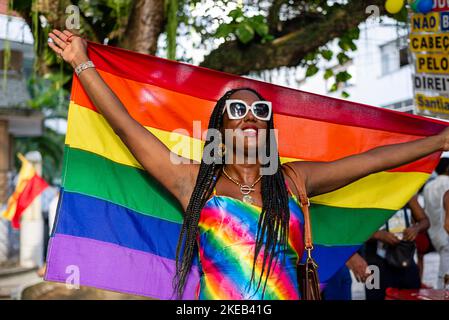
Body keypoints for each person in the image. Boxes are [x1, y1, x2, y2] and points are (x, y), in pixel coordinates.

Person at [47, 29, 449, 300]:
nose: (250, 116)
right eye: (237, 109)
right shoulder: (192, 182)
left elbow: (370, 161)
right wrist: (83, 63)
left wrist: (439, 140)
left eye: (260, 110)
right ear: (218, 129)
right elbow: (126, 127)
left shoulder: (293, 180)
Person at [363, 195, 430, 300]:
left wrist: (415, 229)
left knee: (411, 295)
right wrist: (378, 235)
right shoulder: (369, 195)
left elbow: (425, 221)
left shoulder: (407, 194)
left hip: (404, 258)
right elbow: (354, 229)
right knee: (374, 295)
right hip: (375, 263)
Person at [423, 158, 449, 289]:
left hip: (434, 232)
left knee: (443, 271)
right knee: (446, 274)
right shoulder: (448, 184)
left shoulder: (428, 186)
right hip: (446, 233)